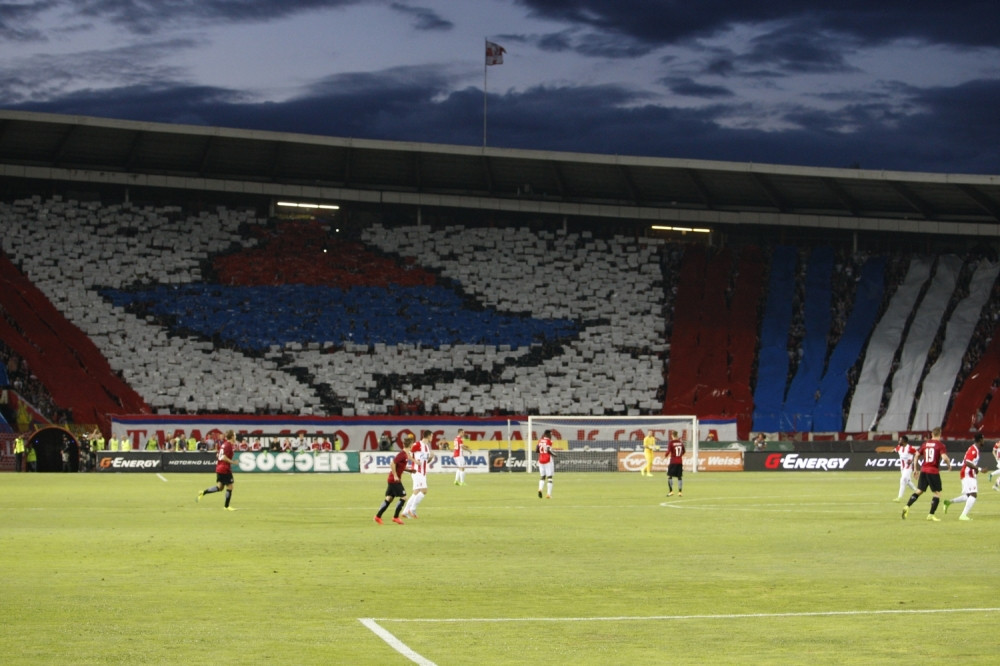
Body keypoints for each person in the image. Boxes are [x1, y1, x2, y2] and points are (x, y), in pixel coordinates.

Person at [902, 427, 951, 521]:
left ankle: (907, 506)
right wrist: (949, 465)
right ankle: (931, 515)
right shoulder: (940, 445)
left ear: (932, 434)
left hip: (923, 470)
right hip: (933, 471)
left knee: (919, 491)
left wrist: (915, 469)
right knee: (937, 493)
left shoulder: (925, 444)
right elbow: (944, 458)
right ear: (940, 434)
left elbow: (916, 455)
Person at [943, 433, 985, 521]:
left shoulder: (975, 449)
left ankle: (949, 502)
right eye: (983, 439)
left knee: (968, 495)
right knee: (973, 495)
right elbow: (967, 462)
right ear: (980, 440)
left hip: (968, 473)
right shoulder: (974, 449)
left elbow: (970, 462)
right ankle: (963, 515)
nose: (984, 441)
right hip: (967, 473)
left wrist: (975, 469)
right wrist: (979, 469)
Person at [374, 435, 413, 525]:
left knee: (389, 498)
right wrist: (395, 475)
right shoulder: (402, 454)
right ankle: (395, 517)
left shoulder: (405, 455)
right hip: (394, 480)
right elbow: (392, 463)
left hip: (392, 479)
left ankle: (377, 516)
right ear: (410, 445)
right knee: (404, 497)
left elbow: (400, 466)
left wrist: (409, 470)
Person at [197, 429, 239, 510]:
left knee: (220, 487)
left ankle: (203, 492)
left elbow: (218, 455)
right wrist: (233, 462)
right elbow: (223, 457)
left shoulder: (224, 444)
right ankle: (226, 506)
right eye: (235, 435)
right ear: (232, 436)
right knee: (230, 487)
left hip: (219, 468)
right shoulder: (228, 445)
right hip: (224, 469)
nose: (235, 436)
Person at [403, 430, 436, 518]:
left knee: (416, 492)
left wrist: (431, 458)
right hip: (417, 471)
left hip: (423, 472)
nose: (432, 438)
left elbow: (425, 461)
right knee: (424, 491)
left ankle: (405, 512)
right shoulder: (417, 444)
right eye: (432, 436)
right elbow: (407, 453)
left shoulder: (427, 447)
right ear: (428, 436)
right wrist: (414, 461)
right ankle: (412, 509)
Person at [893, 435, 919, 502]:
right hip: (902, 468)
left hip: (908, 467)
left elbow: (917, 453)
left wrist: (912, 460)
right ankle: (916, 490)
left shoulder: (910, 448)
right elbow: (894, 450)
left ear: (904, 441)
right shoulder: (899, 447)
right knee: (907, 481)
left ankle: (899, 497)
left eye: (900, 440)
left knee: (903, 480)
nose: (899, 441)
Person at [536, 429, 556, 499]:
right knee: (549, 477)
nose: (551, 435)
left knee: (542, 476)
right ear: (547, 434)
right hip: (548, 460)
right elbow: (548, 450)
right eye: (551, 434)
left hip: (541, 460)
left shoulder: (540, 440)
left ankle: (540, 489)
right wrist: (554, 454)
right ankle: (548, 494)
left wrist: (542, 453)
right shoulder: (549, 441)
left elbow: (536, 450)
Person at [666, 430, 686, 497]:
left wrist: (665, 455)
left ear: (672, 435)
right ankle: (680, 492)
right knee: (679, 477)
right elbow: (684, 451)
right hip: (680, 461)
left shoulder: (671, 442)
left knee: (670, 476)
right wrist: (679, 456)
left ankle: (671, 491)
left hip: (673, 461)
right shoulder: (680, 442)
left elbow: (668, 451)